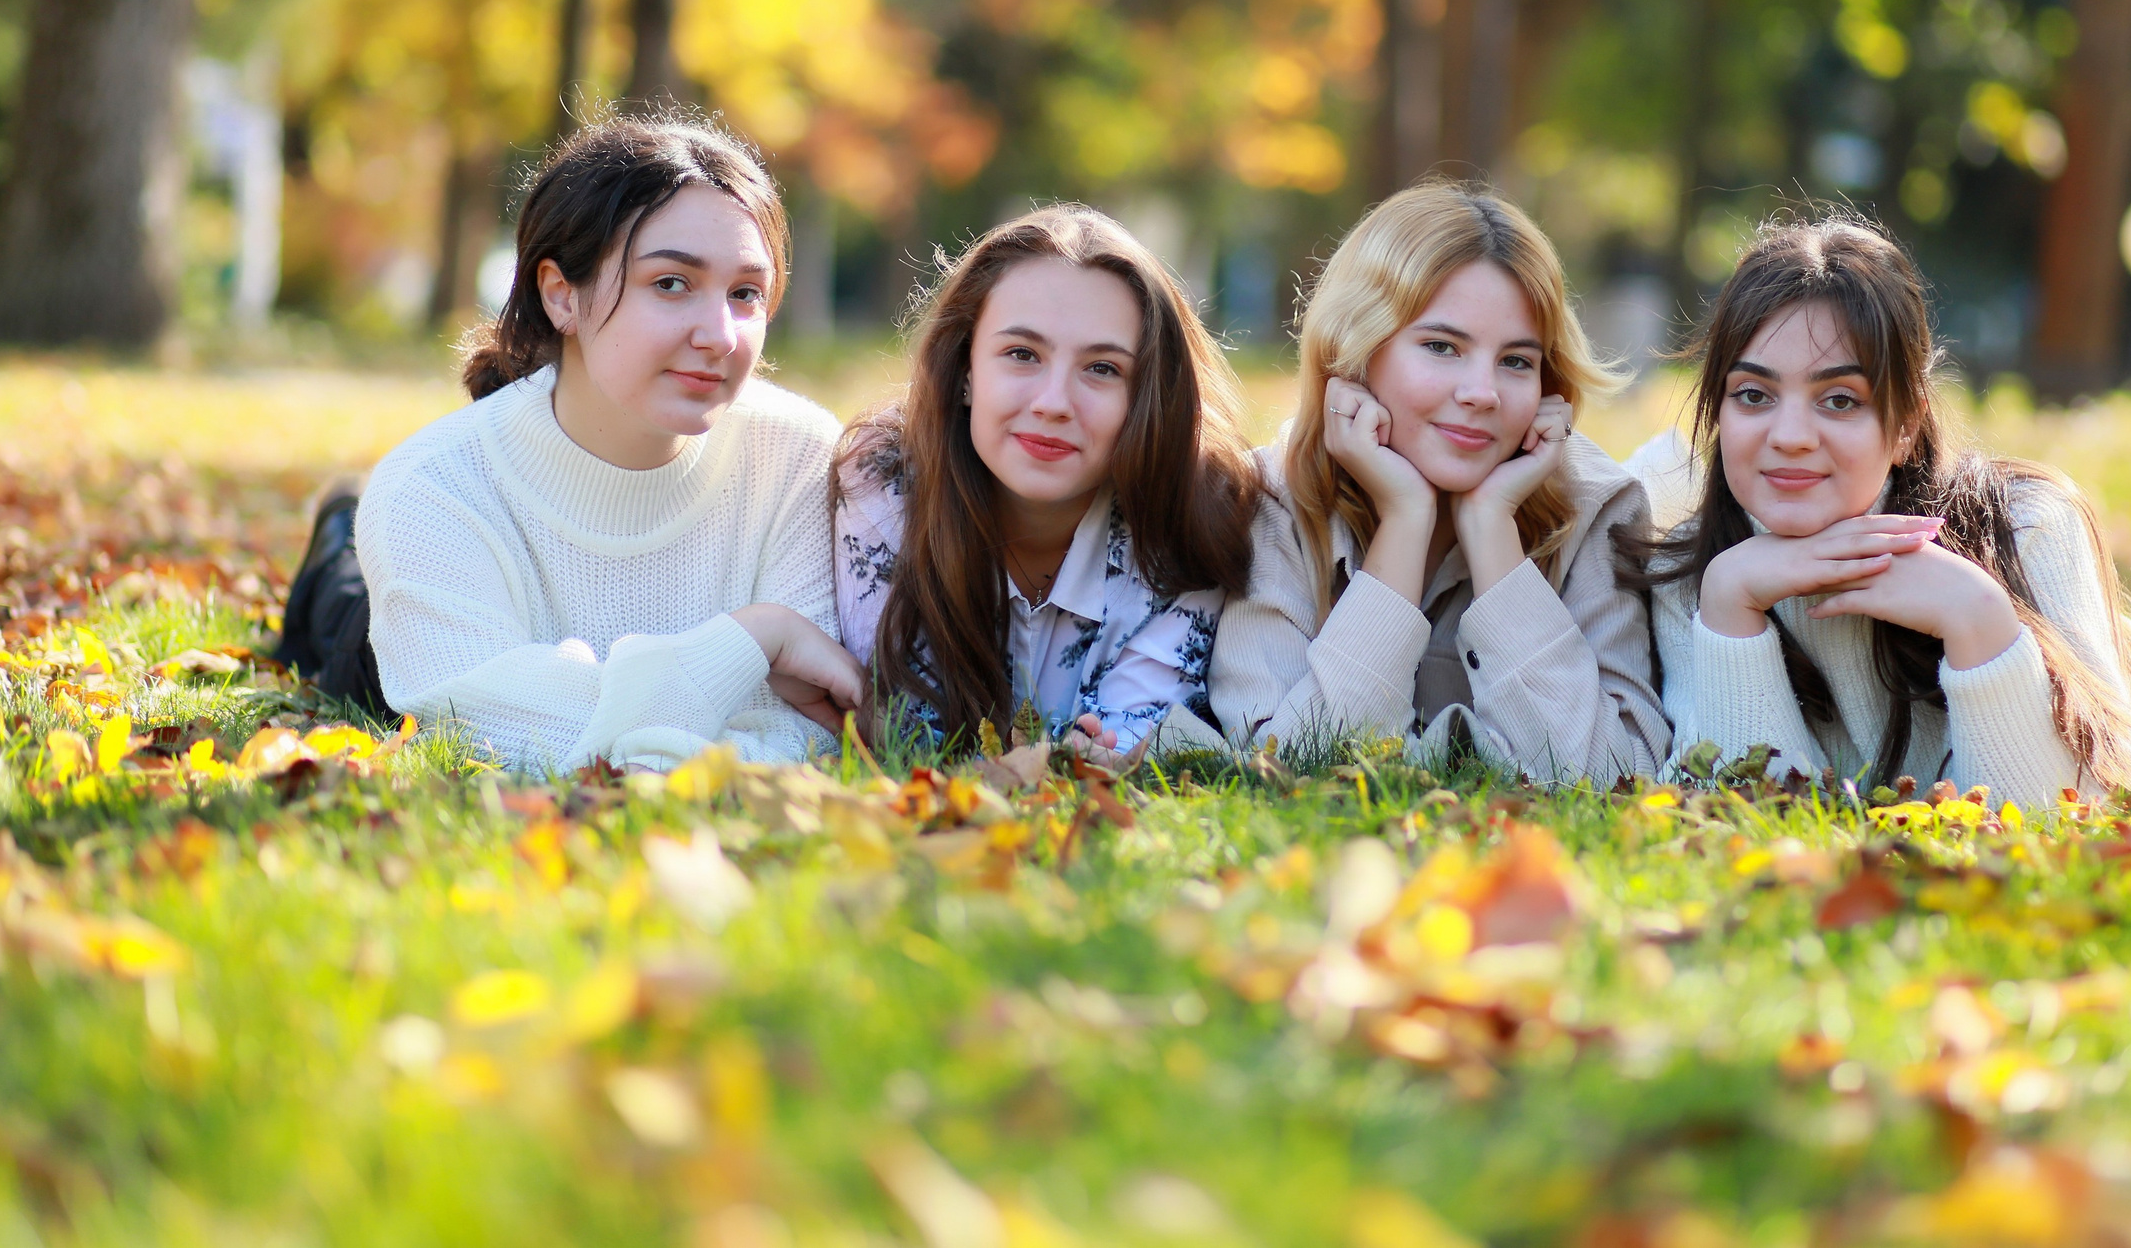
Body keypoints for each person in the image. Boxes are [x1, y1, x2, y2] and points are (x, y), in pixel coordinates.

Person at [1634, 212, 2131, 805]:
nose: (1790, 436)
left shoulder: (2026, 527)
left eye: (1838, 400)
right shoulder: (1695, 576)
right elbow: (1745, 814)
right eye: (1753, 396)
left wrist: (1979, 618)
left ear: (1906, 423)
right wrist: (1732, 601)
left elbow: (2068, 818)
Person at [349, 114, 864, 775]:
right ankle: (338, 527)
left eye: (745, 293)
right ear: (561, 295)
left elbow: (813, 730)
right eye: (671, 283)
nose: (720, 335)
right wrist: (753, 639)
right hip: (371, 628)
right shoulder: (429, 491)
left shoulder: (801, 459)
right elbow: (493, 731)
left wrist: (619, 726)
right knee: (338, 597)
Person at [1209, 183, 1668, 784]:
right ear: (1356, 352)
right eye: (1441, 347)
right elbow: (1295, 770)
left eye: (1516, 361)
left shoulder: (1595, 508)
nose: (1483, 393)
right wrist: (1403, 521)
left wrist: (1492, 530)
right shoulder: (1272, 502)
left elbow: (1609, 778)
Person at [834, 206, 1260, 761]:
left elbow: (1127, 751)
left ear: (1146, 397)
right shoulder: (886, 477)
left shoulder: (1193, 509)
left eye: (1102, 368)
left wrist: (1095, 761)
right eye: (1021, 354)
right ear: (966, 372)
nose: (1054, 404)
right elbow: (903, 738)